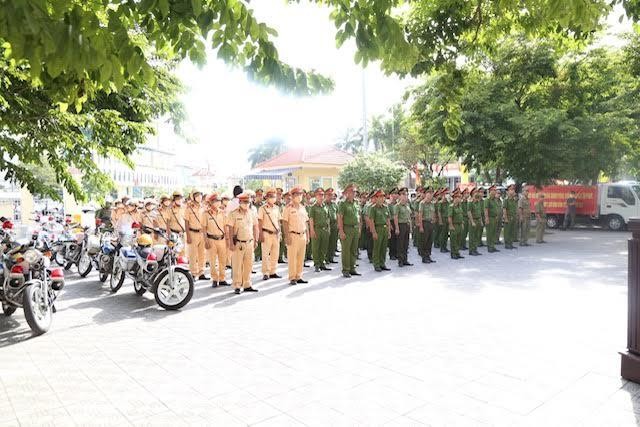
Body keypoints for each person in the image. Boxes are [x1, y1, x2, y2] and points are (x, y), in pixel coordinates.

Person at [226, 193, 259, 294]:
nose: (246, 204)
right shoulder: (233, 214)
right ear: (239, 202)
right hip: (238, 243)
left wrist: (256, 240)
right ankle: (237, 285)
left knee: (248, 265)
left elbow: (255, 226)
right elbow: (230, 228)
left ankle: (247, 284)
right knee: (237, 265)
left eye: (248, 202)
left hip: (249, 242)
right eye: (244, 202)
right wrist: (231, 242)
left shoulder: (252, 212)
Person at [282, 187, 309, 286]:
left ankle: (299, 276)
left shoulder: (302, 207)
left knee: (301, 258)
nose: (299, 196)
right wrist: (287, 236)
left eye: (300, 194)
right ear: (292, 196)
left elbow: (306, 222)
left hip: (302, 235)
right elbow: (284, 222)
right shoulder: (288, 208)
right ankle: (292, 277)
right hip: (293, 235)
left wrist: (308, 235)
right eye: (297, 194)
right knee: (292, 258)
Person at [202, 193, 229, 287]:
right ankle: (214, 279)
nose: (217, 203)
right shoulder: (205, 214)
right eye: (215, 201)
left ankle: (222, 278)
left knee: (223, 260)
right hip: (211, 239)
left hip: (222, 239)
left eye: (218, 201)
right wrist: (205, 241)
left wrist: (228, 239)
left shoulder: (222, 213)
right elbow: (204, 229)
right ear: (211, 202)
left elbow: (225, 227)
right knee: (212, 261)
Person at [257, 189, 282, 281]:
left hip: (275, 234)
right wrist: (260, 234)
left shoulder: (277, 208)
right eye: (270, 196)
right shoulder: (262, 208)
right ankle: (266, 272)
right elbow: (260, 222)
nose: (272, 198)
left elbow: (279, 221)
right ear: (266, 198)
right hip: (266, 233)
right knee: (265, 254)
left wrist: (280, 232)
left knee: (275, 254)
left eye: (274, 196)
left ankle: (273, 271)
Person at [337, 184, 361, 278]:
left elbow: (358, 217)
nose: (354, 193)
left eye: (354, 191)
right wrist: (341, 231)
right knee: (346, 250)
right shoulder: (342, 203)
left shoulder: (356, 203)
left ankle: (352, 268)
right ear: (347, 192)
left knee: (354, 250)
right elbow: (340, 218)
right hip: (347, 228)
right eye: (351, 191)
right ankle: (346, 269)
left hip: (355, 228)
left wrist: (359, 228)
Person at [185, 191, 208, 280]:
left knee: (202, 254)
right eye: (197, 196)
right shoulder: (189, 208)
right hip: (192, 232)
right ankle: (193, 273)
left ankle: (201, 272)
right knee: (193, 254)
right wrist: (188, 236)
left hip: (202, 233)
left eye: (200, 195)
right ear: (193, 197)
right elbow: (186, 223)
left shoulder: (204, 208)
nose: (199, 197)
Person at [368, 190, 392, 272]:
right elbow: (371, 221)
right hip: (378, 228)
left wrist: (389, 231)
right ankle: (376, 264)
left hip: (385, 228)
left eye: (383, 196)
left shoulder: (386, 207)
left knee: (384, 247)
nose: (382, 198)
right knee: (377, 247)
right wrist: (374, 232)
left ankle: (382, 263)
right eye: (380, 197)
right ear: (376, 198)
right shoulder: (373, 208)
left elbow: (388, 219)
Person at [309, 188, 331, 273]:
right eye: (319, 195)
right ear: (316, 196)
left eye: (322, 195)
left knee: (324, 247)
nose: (321, 196)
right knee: (316, 248)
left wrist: (328, 228)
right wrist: (312, 230)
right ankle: (317, 264)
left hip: (325, 230)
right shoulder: (313, 207)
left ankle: (322, 263)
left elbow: (327, 218)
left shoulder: (325, 206)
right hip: (317, 229)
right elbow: (311, 219)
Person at [394, 188, 413, 267]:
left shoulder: (407, 205)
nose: (405, 196)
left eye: (406, 194)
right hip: (401, 225)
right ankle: (400, 261)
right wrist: (397, 228)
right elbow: (395, 217)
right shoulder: (397, 206)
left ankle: (405, 260)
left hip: (407, 225)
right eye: (403, 194)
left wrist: (411, 227)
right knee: (400, 244)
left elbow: (409, 217)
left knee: (406, 244)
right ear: (399, 196)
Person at [418, 187, 436, 264]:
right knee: (424, 241)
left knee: (430, 241)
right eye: (429, 193)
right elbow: (420, 215)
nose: (430, 195)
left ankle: (428, 256)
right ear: (425, 194)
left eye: (432, 193)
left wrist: (433, 220)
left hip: (430, 223)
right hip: (424, 223)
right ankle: (424, 257)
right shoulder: (422, 203)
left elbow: (433, 213)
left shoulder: (432, 203)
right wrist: (421, 226)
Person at [448, 190, 465, 259]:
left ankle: (457, 252)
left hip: (459, 225)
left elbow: (461, 216)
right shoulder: (451, 206)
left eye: (460, 197)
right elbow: (450, 217)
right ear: (455, 198)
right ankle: (453, 253)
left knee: (458, 240)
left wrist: (462, 223)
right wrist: (451, 225)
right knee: (454, 240)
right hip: (454, 225)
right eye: (458, 197)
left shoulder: (459, 206)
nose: (460, 199)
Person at [467, 188, 483, 256]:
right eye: (475, 192)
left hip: (478, 220)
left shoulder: (478, 202)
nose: (477, 193)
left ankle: (475, 249)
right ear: (472, 194)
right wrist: (472, 221)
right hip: (473, 221)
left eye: (477, 192)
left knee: (476, 236)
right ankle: (471, 250)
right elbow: (469, 212)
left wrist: (481, 221)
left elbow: (479, 212)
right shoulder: (470, 202)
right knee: (472, 236)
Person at [484, 185, 500, 253]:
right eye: (493, 190)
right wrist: (487, 218)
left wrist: (496, 216)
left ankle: (493, 246)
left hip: (494, 218)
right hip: (490, 218)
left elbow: (496, 209)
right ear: (490, 191)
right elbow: (486, 209)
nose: (494, 192)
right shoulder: (487, 200)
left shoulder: (495, 200)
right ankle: (489, 247)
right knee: (490, 233)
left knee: (493, 232)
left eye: (495, 190)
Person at [325, 188, 339, 265]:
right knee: (326, 243)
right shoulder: (323, 204)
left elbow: (337, 215)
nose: (331, 196)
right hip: (327, 225)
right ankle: (325, 258)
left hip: (334, 225)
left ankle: (331, 257)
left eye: (332, 195)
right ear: (325, 195)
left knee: (333, 242)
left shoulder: (334, 205)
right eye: (329, 195)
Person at [502, 184, 518, 250]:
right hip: (508, 217)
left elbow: (515, 209)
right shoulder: (506, 200)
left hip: (513, 217)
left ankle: (511, 243)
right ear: (508, 191)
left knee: (512, 231)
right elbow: (504, 209)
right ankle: (507, 244)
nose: (513, 191)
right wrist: (505, 218)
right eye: (511, 189)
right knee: (507, 231)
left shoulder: (514, 200)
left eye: (513, 189)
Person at [387, 189, 399, 261]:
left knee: (397, 239)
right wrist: (390, 225)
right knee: (392, 239)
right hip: (391, 222)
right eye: (394, 193)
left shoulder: (398, 204)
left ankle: (397, 253)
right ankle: (392, 254)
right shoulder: (388, 204)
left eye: (397, 194)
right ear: (391, 195)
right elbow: (387, 216)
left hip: (397, 222)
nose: (396, 195)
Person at [439, 188, 450, 252]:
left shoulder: (448, 202)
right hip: (443, 219)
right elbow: (439, 212)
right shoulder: (441, 203)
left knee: (446, 234)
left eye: (447, 193)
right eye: (446, 193)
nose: (447, 195)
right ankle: (442, 247)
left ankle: (445, 246)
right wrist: (440, 220)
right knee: (443, 234)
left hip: (447, 219)